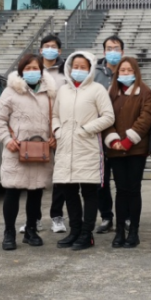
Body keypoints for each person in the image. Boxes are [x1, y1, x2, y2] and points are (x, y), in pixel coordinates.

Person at [0, 54, 58, 251]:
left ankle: (31, 230)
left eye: (35, 68)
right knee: (12, 191)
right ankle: (9, 232)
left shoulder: (50, 92)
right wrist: (7, 139)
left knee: (36, 193)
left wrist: (55, 135)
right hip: (17, 149)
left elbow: (56, 117)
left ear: (41, 70)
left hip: (42, 150)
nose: (31, 72)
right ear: (21, 71)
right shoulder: (11, 92)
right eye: (27, 68)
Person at [52, 50, 116, 251]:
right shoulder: (63, 90)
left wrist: (86, 129)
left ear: (90, 69)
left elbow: (108, 117)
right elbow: (54, 114)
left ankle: (87, 234)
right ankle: (75, 231)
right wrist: (57, 130)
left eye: (83, 67)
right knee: (69, 192)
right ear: (69, 68)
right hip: (65, 148)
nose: (78, 70)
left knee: (89, 192)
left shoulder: (97, 89)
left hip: (87, 147)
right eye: (75, 67)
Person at [104, 57, 151, 248]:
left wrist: (128, 140)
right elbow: (105, 117)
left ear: (135, 71)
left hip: (136, 150)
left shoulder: (145, 92)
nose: (125, 73)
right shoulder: (111, 92)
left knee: (133, 190)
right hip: (115, 149)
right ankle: (119, 232)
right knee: (120, 190)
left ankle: (133, 231)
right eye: (122, 71)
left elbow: (145, 118)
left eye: (128, 70)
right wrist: (114, 140)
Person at [37, 33, 69, 234]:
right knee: (36, 177)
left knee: (61, 176)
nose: (49, 49)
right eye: (45, 46)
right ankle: (35, 218)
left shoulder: (66, 72)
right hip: (36, 131)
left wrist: (58, 130)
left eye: (53, 46)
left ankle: (57, 216)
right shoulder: (32, 69)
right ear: (40, 50)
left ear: (59, 51)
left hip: (59, 129)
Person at [93, 35, 124, 234]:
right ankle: (106, 216)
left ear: (122, 51)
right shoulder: (94, 73)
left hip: (122, 136)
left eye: (117, 48)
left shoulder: (128, 71)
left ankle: (125, 217)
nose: (113, 52)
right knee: (100, 181)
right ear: (104, 52)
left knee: (123, 180)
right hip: (99, 134)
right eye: (109, 48)